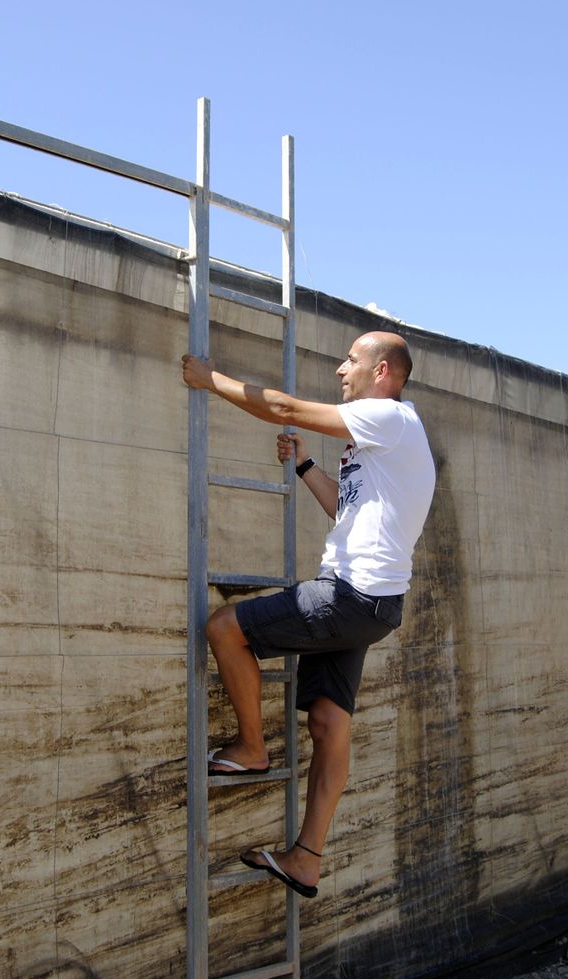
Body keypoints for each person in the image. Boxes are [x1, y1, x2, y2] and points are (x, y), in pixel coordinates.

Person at [180, 330, 435, 898]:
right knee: (326, 722)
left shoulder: (390, 419)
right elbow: (346, 513)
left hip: (352, 595)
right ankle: (306, 858)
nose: (341, 371)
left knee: (224, 629)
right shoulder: (381, 442)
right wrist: (304, 466)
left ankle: (250, 747)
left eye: (351, 361)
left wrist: (209, 379)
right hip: (371, 601)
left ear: (384, 373)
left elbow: (286, 407)